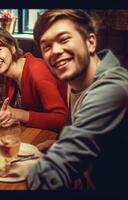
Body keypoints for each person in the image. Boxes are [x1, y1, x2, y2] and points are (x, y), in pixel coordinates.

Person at [26, 9, 128, 191]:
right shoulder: (74, 82)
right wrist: (60, 145)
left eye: (64, 39)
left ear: (90, 42)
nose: (55, 51)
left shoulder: (113, 89)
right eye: (46, 46)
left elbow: (47, 178)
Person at [0, 27, 68, 132]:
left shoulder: (37, 71)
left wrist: (20, 114)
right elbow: (12, 108)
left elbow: (62, 120)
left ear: (12, 48)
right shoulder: (9, 73)